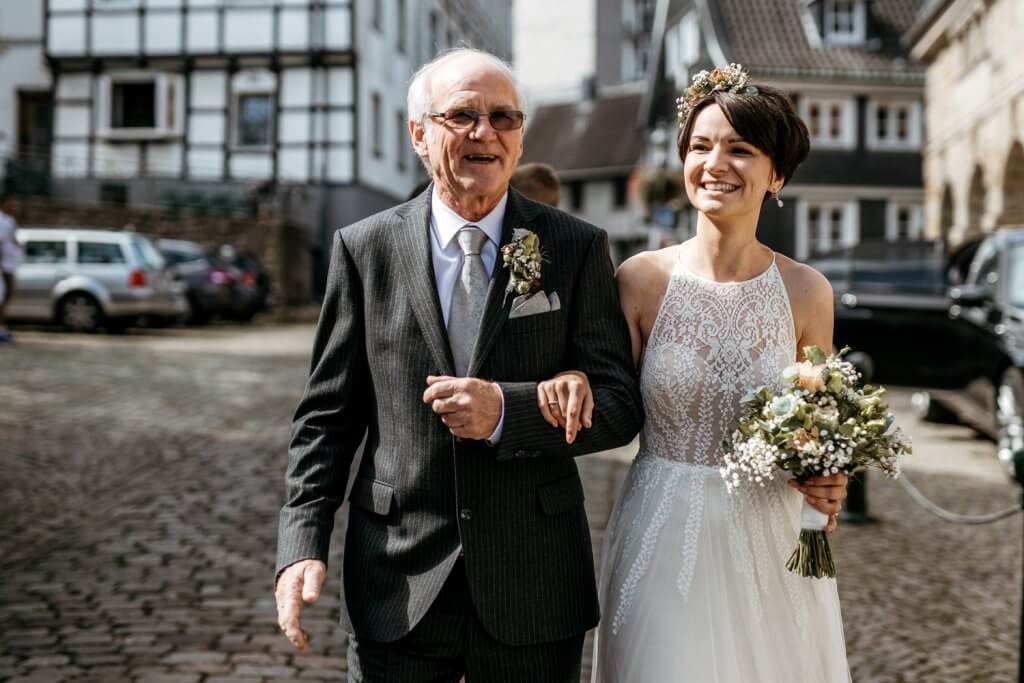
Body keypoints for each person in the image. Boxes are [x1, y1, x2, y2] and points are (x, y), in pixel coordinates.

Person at [274, 47, 643, 682]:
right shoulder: (364, 250)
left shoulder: (575, 247)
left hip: (534, 584)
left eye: (504, 117)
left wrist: (509, 412)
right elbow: (328, 417)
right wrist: (301, 542)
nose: (486, 133)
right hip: (399, 579)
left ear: (521, 136)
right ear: (419, 134)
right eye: (463, 116)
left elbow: (618, 406)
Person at [591, 66, 851, 680]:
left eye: (740, 149)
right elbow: (608, 405)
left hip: (771, 539)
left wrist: (830, 482)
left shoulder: (808, 292)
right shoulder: (639, 280)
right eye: (700, 146)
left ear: (776, 175)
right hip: (660, 527)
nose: (715, 163)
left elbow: (821, 427)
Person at [0, 192, 24, 343]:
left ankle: (2, 328)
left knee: (5, 298)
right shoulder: (2, 221)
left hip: (8, 266)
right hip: (4, 267)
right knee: (2, 298)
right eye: (12, 204)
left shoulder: (9, 221)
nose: (15, 207)